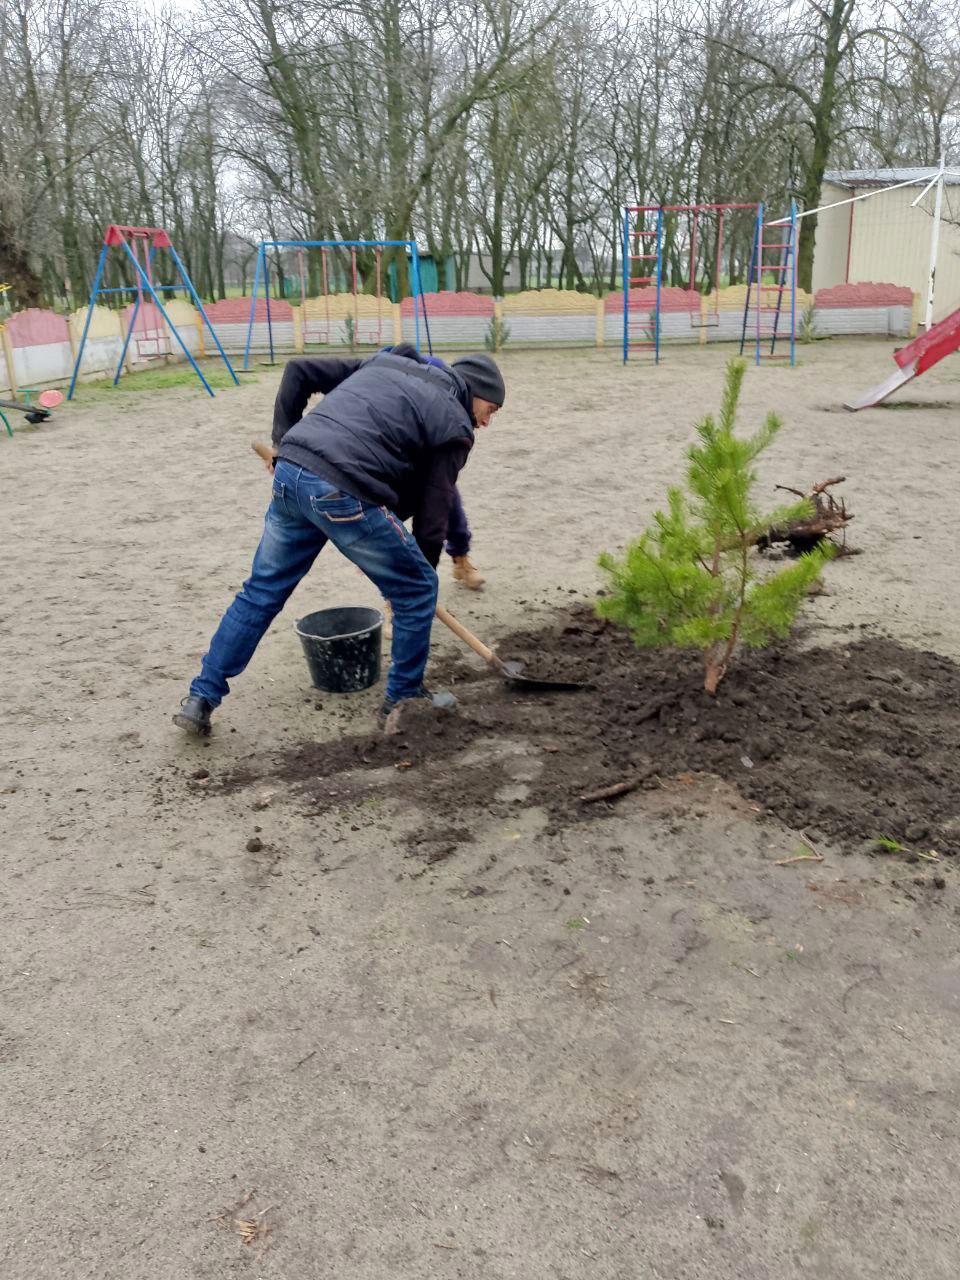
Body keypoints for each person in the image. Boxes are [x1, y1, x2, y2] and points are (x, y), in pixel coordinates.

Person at [172, 347, 505, 736]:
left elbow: (299, 370)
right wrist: (417, 581)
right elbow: (434, 519)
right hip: (343, 490)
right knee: (417, 588)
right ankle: (403, 701)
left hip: (291, 472)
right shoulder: (455, 425)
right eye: (490, 410)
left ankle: (200, 698)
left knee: (261, 592)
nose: (486, 422)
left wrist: (282, 443)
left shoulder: (387, 362)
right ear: (475, 391)